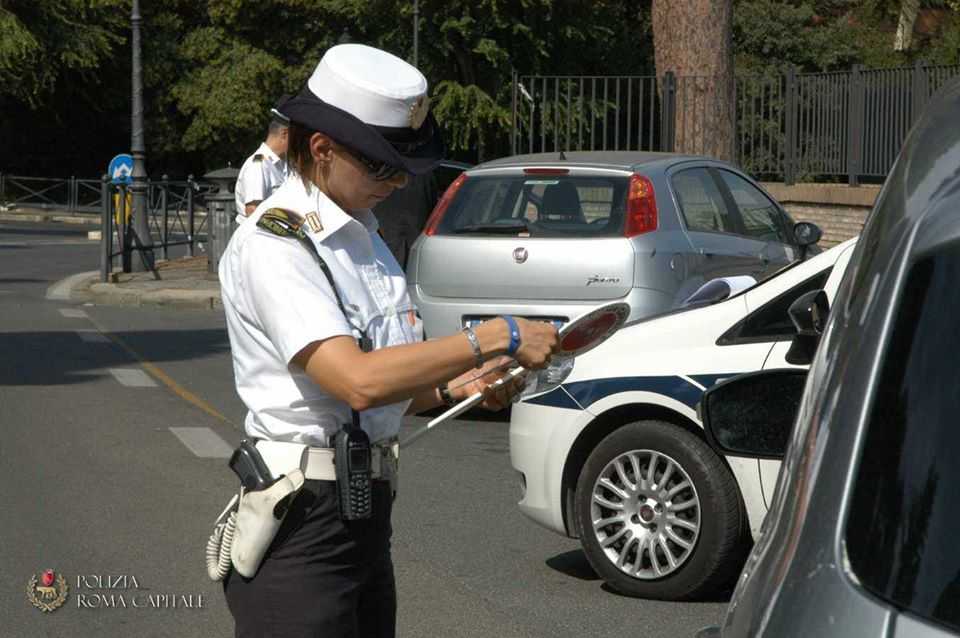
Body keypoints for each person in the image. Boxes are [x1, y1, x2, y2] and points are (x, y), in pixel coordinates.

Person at [217, 43, 559, 638]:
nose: (399, 181)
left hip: (364, 514)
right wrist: (493, 334)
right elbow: (357, 379)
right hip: (302, 520)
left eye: (404, 166)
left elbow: (389, 388)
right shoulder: (278, 242)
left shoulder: (365, 238)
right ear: (321, 149)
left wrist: (464, 385)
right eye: (381, 165)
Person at [234, 100, 290, 224]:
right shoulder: (258, 165)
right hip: (259, 239)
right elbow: (252, 211)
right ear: (284, 134)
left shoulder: (282, 165)